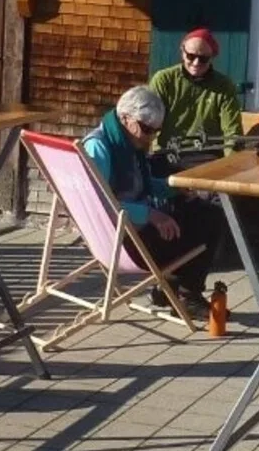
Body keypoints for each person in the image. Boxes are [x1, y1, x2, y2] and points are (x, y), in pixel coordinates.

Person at [82, 86, 218, 314]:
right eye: (146, 129)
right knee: (207, 221)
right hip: (120, 241)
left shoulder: (126, 144)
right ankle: (185, 292)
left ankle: (172, 289)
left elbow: (141, 185)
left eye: (156, 131)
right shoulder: (99, 148)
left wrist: (173, 188)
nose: (151, 137)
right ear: (125, 118)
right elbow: (99, 205)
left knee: (200, 208)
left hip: (134, 229)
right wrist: (150, 215)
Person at [147, 28, 244, 171]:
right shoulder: (164, 80)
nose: (196, 62)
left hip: (207, 156)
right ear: (182, 52)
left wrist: (231, 168)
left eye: (203, 59)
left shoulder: (224, 86)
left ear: (212, 57)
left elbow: (232, 134)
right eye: (191, 56)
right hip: (167, 153)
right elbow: (148, 122)